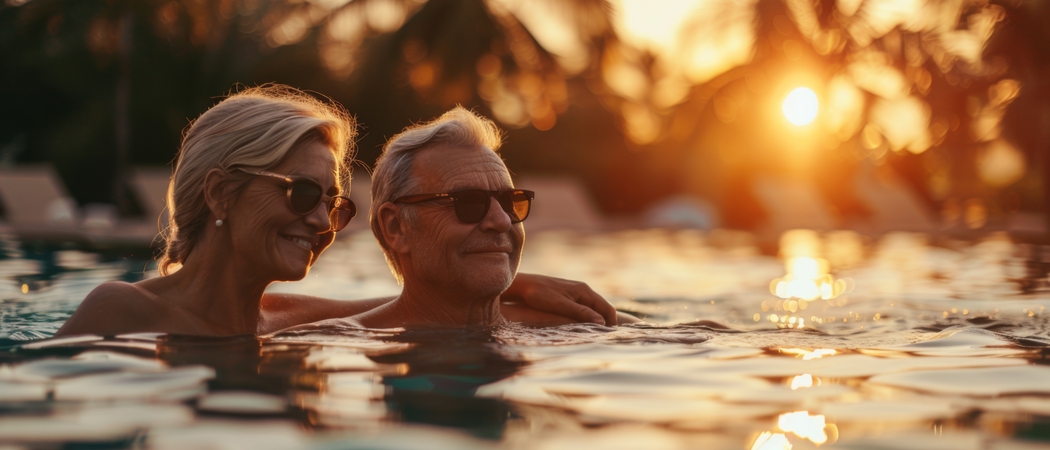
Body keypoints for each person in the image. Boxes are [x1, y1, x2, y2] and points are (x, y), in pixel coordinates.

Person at [55, 85, 617, 337]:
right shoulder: (122, 311)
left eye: (333, 203)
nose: (322, 223)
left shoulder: (275, 319)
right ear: (222, 193)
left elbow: (405, 304)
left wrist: (511, 286)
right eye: (302, 194)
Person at [348, 107, 639, 328]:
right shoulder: (340, 342)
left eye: (510, 202)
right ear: (396, 227)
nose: (501, 221)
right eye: (468, 203)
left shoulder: (586, 330)